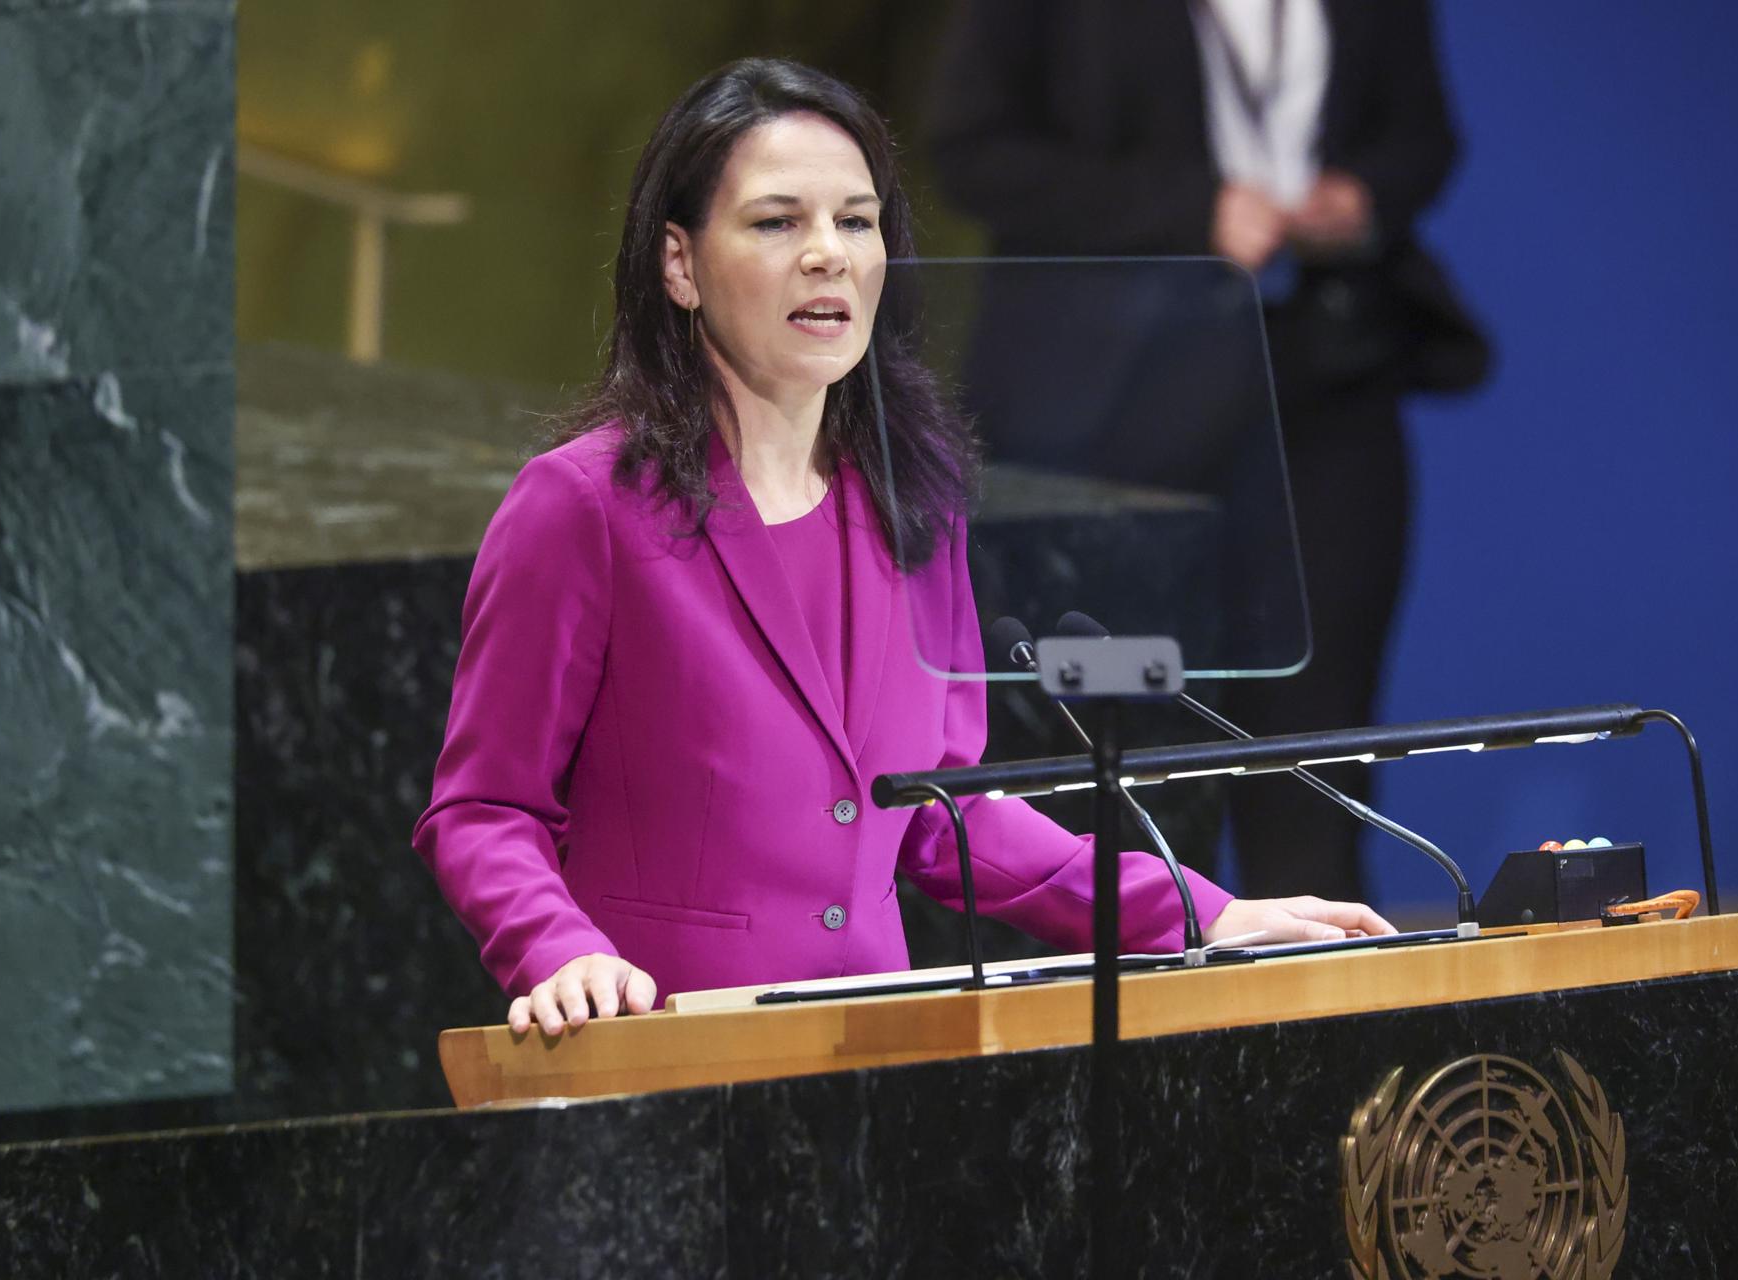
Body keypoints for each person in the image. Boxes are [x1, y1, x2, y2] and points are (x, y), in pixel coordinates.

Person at [413, 58, 1394, 1037]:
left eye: (856, 220)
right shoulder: (584, 504)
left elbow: (943, 810)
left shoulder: (912, 500)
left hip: (880, 1070)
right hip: (666, 1056)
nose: (828, 255)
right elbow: (483, 808)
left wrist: (1200, 911)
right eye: (776, 221)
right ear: (680, 263)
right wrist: (560, 948)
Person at [926, 0, 1489, 904]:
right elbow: (973, 150)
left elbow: (1422, 137)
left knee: (1319, 741)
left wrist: (1362, 198)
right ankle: (1119, 1011)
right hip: (1110, 401)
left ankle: (1314, 1022)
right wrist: (1191, 209)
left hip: (1321, 369)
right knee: (1107, 744)